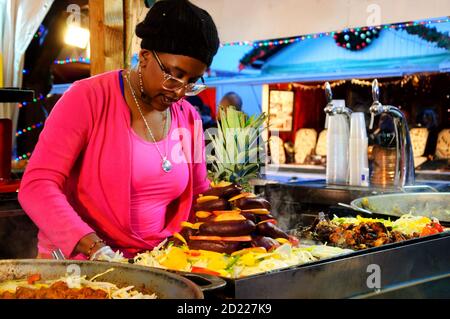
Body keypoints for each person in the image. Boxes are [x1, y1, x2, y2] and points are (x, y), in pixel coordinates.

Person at [18, 0, 220, 260]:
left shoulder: (189, 119)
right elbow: (37, 185)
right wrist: (94, 248)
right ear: (145, 55)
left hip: (158, 262)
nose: (180, 92)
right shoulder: (87, 99)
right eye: (174, 76)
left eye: (191, 82)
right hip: (80, 264)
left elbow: (199, 195)